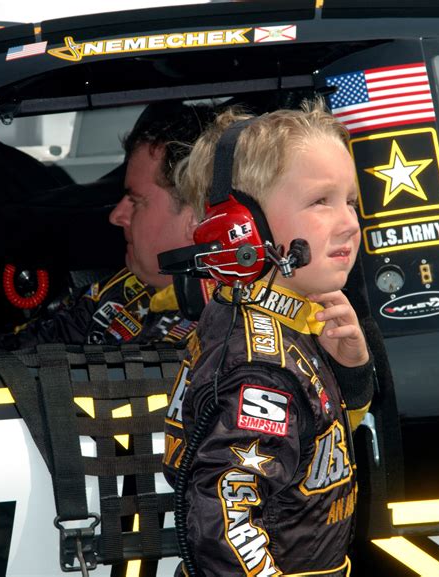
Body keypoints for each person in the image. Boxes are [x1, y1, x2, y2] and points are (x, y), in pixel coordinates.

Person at [163, 100, 374, 576]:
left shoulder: (288, 324)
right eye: (321, 201)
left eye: (351, 202)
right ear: (242, 226)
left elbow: (319, 449)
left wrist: (351, 374)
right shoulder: (263, 366)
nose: (348, 223)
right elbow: (222, 516)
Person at [0, 101, 215, 348]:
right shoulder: (125, 289)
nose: (116, 215)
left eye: (136, 201)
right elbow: (25, 348)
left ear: (196, 220)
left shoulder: (225, 331)